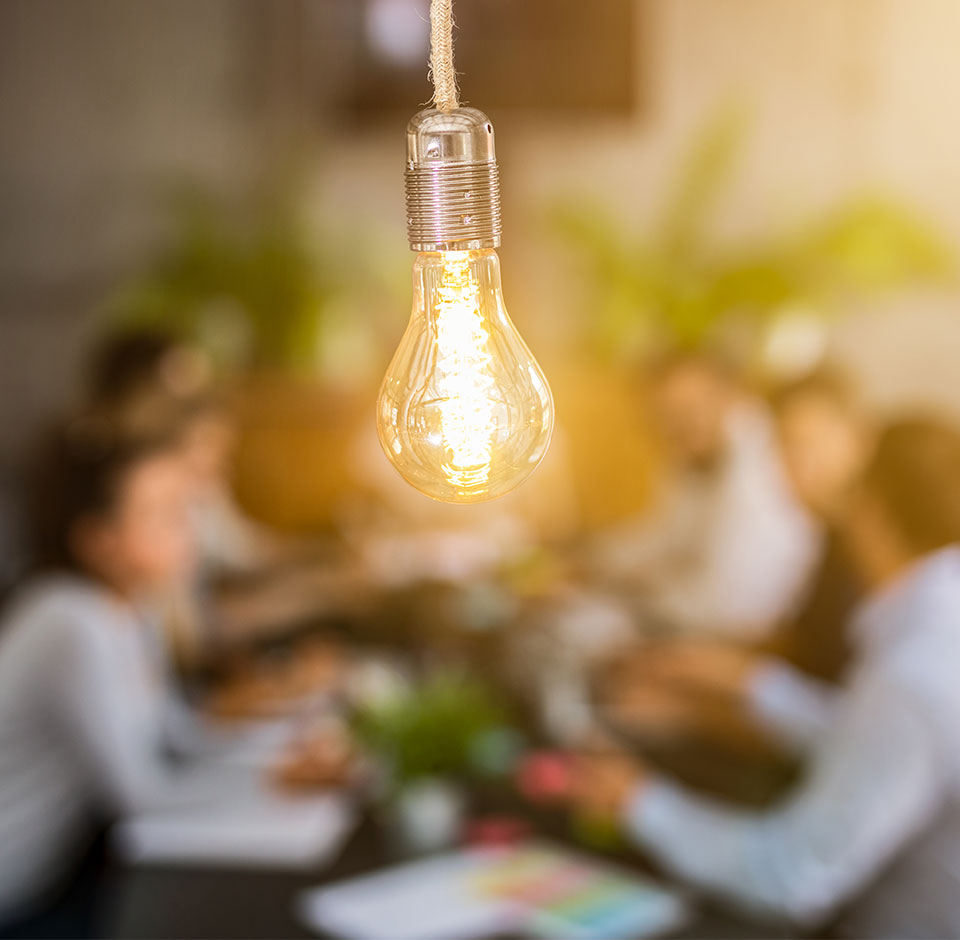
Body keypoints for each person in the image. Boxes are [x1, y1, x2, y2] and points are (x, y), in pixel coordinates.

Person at [570, 418, 960, 937]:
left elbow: (790, 877)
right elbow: (873, 744)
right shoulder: (936, 618)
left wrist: (640, 803)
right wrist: (746, 682)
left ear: (870, 509)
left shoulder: (915, 664)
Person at [0, 415, 346, 933]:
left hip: (59, 877)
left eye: (184, 512)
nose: (188, 532)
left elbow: (178, 734)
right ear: (99, 540)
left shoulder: (130, 609)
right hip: (21, 893)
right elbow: (141, 792)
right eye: (163, 517)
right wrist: (275, 782)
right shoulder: (72, 622)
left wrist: (280, 760)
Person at [602, 370, 873, 759]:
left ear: (862, 439)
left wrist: (706, 708)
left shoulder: (873, 558)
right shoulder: (831, 541)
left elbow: (851, 731)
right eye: (785, 448)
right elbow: (806, 645)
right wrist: (708, 664)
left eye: (812, 444)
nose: (799, 466)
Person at [589, 351, 817, 640]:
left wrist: (618, 587)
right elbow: (663, 535)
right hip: (692, 615)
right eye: (667, 415)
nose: (683, 423)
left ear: (730, 397)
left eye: (695, 407)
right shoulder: (694, 458)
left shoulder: (763, 469)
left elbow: (721, 601)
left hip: (747, 636)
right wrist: (592, 560)